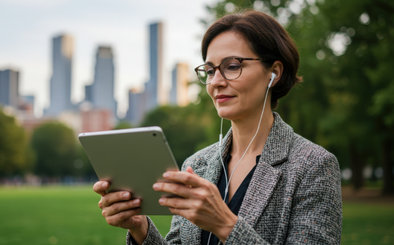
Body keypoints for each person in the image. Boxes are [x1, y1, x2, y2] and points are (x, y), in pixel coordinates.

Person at [93, 10, 342, 244]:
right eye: (210, 70)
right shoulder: (197, 164)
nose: (216, 82)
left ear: (273, 73)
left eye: (232, 66)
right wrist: (140, 228)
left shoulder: (314, 166)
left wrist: (225, 225)